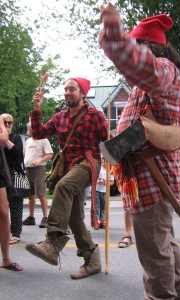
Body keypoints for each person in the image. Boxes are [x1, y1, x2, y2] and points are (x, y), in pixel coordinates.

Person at [99, 3, 180, 299]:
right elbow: (135, 71)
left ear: (146, 47)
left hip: (154, 178)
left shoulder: (165, 71)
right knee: (162, 241)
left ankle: (161, 296)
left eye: (137, 46)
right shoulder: (142, 87)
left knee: (154, 253)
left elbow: (143, 66)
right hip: (146, 179)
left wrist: (116, 37)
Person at [25, 77, 108, 280]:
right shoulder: (60, 117)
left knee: (63, 186)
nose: (67, 92)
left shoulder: (95, 115)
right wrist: (37, 108)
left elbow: (108, 140)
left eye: (72, 89)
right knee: (74, 217)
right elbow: (38, 133)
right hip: (70, 166)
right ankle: (92, 261)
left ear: (82, 93)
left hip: (89, 162)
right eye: (66, 89)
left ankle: (53, 242)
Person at [0, 116, 23, 271]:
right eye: (4, 122)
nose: (7, 125)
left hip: (9, 174)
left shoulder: (14, 137)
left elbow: (18, 154)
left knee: (5, 211)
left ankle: (6, 258)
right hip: (4, 172)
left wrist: (6, 139)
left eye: (9, 123)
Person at [22, 123, 53, 228]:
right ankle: (31, 217)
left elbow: (50, 154)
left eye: (33, 127)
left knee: (41, 193)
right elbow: (24, 155)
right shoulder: (27, 142)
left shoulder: (44, 139)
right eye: (29, 128)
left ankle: (45, 218)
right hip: (28, 169)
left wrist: (39, 160)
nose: (31, 129)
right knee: (30, 195)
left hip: (38, 169)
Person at [94, 156, 114, 230]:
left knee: (104, 207)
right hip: (97, 190)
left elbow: (112, 182)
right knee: (97, 207)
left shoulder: (110, 170)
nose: (103, 162)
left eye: (105, 161)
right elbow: (93, 178)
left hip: (105, 191)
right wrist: (98, 181)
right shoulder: (98, 169)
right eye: (102, 161)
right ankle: (96, 221)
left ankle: (102, 221)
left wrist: (106, 183)